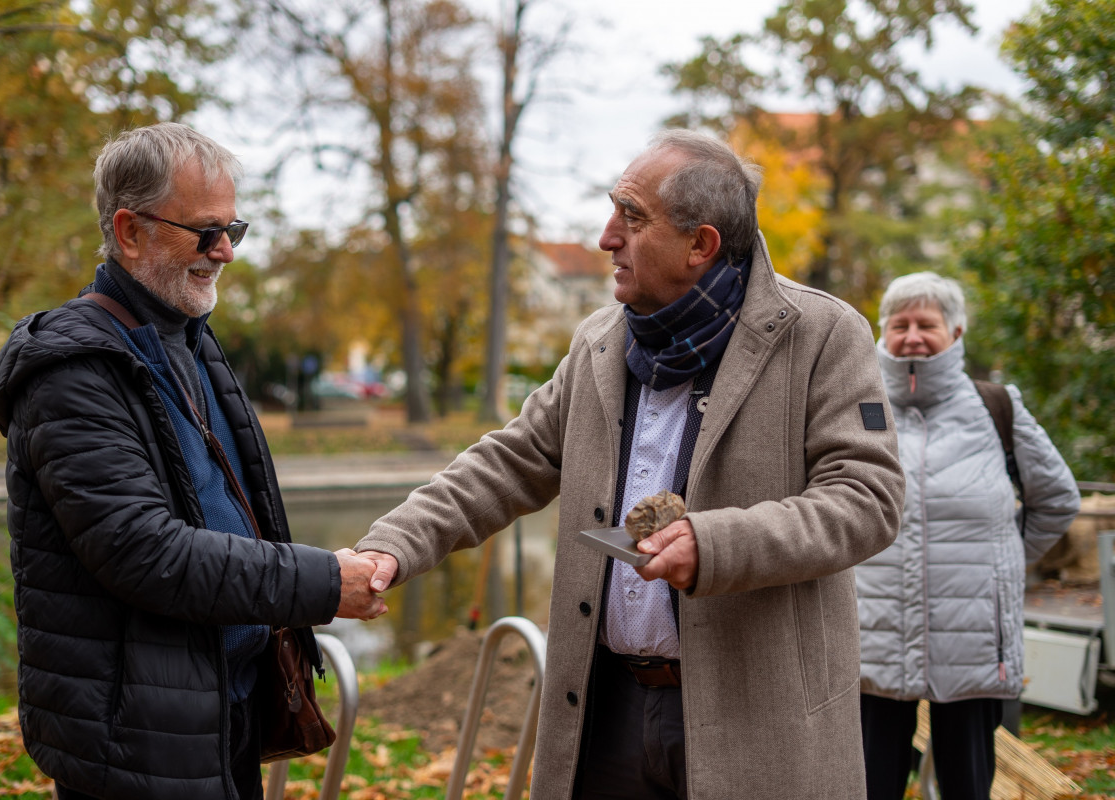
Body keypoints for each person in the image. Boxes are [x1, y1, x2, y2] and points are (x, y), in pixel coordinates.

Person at [354, 129, 906, 798]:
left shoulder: (822, 334)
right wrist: (392, 545)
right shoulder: (598, 340)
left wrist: (716, 544)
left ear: (700, 245)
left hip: (759, 720)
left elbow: (867, 500)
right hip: (604, 712)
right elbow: (508, 460)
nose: (605, 237)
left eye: (632, 216)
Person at [0, 122, 386, 800]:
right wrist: (321, 582)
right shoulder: (73, 372)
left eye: (234, 229)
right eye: (205, 231)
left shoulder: (187, 338)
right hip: (133, 742)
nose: (225, 251)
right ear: (131, 231)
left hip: (214, 715)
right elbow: (145, 552)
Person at [856, 271, 1081, 800]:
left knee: (967, 787)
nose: (912, 335)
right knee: (868, 785)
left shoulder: (997, 407)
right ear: (882, 332)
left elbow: (1058, 499)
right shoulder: (856, 407)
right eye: (900, 323)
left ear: (955, 334)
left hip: (973, 638)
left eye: (926, 324)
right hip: (873, 639)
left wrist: (1003, 559)